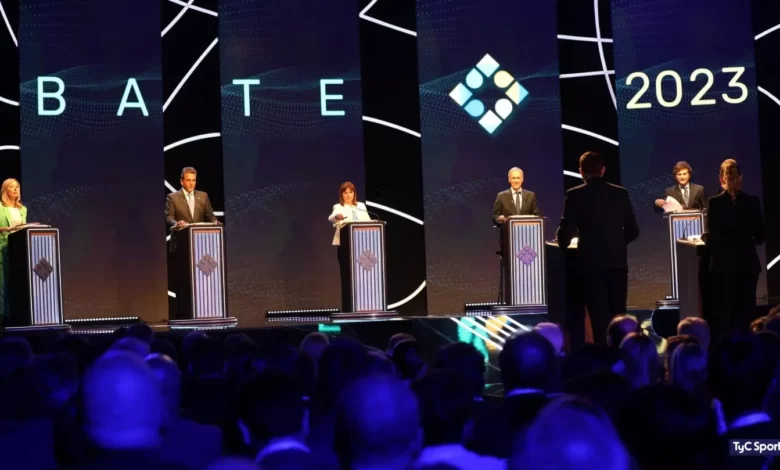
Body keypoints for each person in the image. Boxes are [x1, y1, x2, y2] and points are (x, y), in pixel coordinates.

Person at [557, 151, 639, 345]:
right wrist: (616, 244)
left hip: (590, 266)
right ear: (603, 170)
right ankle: (621, 356)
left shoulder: (574, 195)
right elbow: (633, 230)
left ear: (581, 172)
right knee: (619, 319)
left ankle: (603, 357)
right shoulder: (620, 193)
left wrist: (565, 246)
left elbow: (566, 233)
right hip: (617, 265)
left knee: (599, 321)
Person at [703, 159, 764, 336]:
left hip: (723, 267)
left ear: (721, 179)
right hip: (747, 266)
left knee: (724, 317)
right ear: (740, 178)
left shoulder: (714, 203)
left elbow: (714, 239)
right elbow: (760, 238)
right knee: (746, 315)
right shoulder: (752, 202)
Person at [0, 178, 27, 322]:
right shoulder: (0, 208)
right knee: (2, 286)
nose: (15, 189)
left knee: (16, 284)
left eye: (17, 186)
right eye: (12, 186)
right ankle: (3, 317)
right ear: (5, 190)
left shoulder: (22, 209)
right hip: (2, 249)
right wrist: (5, 229)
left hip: (17, 251)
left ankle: (15, 316)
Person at [327, 181, 371, 245]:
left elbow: (368, 221)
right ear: (341, 194)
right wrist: (336, 216)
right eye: (345, 193)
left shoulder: (361, 205)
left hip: (362, 238)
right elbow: (330, 218)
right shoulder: (338, 206)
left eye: (350, 192)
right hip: (346, 239)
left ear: (354, 193)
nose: (348, 195)